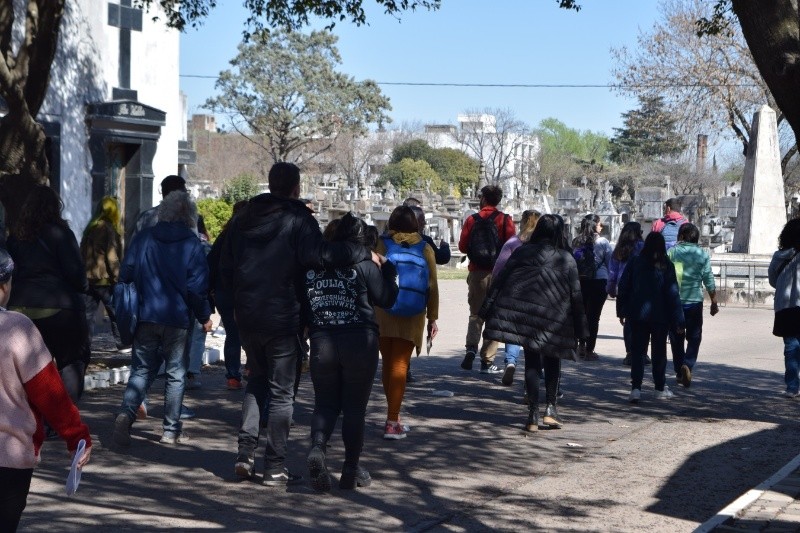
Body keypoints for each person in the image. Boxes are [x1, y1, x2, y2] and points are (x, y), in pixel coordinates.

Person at [221, 162, 373, 487]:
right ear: (296, 188)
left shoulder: (242, 218)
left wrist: (230, 306)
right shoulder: (299, 219)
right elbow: (320, 256)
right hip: (282, 315)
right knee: (281, 393)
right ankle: (274, 466)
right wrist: (360, 251)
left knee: (257, 381)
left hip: (247, 314)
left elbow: (219, 264)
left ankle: (244, 454)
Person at [303, 213, 398, 491]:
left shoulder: (312, 268)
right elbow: (387, 299)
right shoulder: (366, 265)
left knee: (325, 404)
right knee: (355, 408)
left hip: (322, 340)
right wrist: (389, 270)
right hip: (360, 340)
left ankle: (318, 448)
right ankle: (350, 469)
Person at [0, 248, 92, 532]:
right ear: (4, 286)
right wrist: (77, 436)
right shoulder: (17, 329)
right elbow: (49, 393)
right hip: (9, 461)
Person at [111, 191, 212, 446]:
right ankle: (170, 430)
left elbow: (126, 274)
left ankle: (127, 412)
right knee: (176, 373)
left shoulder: (145, 238)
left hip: (145, 314)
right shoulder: (192, 244)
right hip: (177, 318)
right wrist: (204, 316)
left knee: (141, 369)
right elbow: (196, 288)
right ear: (189, 215)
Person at [480, 214, 588, 432]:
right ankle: (550, 408)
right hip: (555, 318)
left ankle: (532, 415)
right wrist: (582, 329)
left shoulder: (522, 251)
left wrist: (486, 308)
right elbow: (576, 295)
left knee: (531, 361)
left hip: (526, 315)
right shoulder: (566, 259)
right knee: (552, 361)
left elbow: (501, 281)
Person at [6, 185, 90, 404]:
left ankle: (31, 419)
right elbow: (77, 277)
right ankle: (62, 419)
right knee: (71, 362)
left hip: (21, 310)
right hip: (60, 308)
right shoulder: (61, 234)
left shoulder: (15, 238)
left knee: (29, 369)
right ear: (56, 207)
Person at [375, 205, 439, 439]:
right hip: (412, 313)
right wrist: (433, 317)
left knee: (388, 364)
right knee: (400, 365)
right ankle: (392, 420)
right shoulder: (424, 248)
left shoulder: (382, 244)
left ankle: (394, 415)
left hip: (383, 311)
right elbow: (432, 286)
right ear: (415, 223)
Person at [617, 232, 685, 403]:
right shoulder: (666, 265)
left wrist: (622, 310)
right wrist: (678, 320)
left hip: (638, 314)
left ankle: (636, 388)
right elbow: (672, 294)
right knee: (659, 352)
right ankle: (659, 387)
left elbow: (623, 286)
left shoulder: (635, 262)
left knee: (638, 351)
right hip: (660, 316)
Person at [458, 185, 516, 374]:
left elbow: (463, 246)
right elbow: (512, 247)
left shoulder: (471, 220)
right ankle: (487, 360)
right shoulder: (505, 220)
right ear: (498, 200)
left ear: (483, 198)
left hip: (477, 273)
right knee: (494, 316)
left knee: (476, 314)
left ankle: (471, 348)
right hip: (499, 274)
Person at [491, 209, 541, 385]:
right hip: (537, 293)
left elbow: (498, 269)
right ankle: (535, 372)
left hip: (514, 292)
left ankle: (511, 362)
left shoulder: (513, 243)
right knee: (534, 333)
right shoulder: (542, 245)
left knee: (514, 331)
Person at [668, 223, 719, 387]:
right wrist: (714, 301)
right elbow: (708, 279)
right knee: (694, 337)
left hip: (675, 302)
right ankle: (687, 364)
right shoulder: (702, 254)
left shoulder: (672, 252)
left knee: (676, 338)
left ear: (682, 236)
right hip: (694, 302)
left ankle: (678, 371)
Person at [207, 200, 249, 390]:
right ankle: (251, 368)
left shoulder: (224, 236)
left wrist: (212, 291)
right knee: (250, 332)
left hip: (224, 294)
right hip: (246, 293)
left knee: (233, 334)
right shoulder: (250, 237)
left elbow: (211, 264)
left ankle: (233, 376)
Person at [81, 196, 127, 352]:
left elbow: (82, 253)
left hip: (88, 279)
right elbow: (112, 257)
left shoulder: (90, 228)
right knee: (115, 311)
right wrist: (118, 278)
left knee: (88, 315)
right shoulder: (108, 229)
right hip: (104, 281)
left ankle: (84, 345)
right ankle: (122, 343)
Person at [572, 214, 613, 361]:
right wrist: (612, 285)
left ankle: (580, 345)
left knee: (580, 314)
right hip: (598, 282)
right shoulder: (603, 242)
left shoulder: (576, 241)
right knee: (594, 317)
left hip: (580, 281)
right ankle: (589, 350)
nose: (601, 227)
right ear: (594, 225)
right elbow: (610, 264)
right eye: (599, 224)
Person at [606, 221, 645, 366]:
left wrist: (610, 289)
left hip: (623, 288)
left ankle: (629, 353)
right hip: (640, 288)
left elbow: (613, 272)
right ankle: (642, 353)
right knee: (642, 321)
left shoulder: (619, 249)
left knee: (628, 322)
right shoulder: (643, 247)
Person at [768, 218, 800, 398]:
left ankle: (792, 386)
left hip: (786, 305)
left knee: (791, 346)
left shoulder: (778, 256)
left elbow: (773, 281)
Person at [404, 198, 451, 265]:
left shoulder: (394, 238)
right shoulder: (424, 241)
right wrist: (445, 246)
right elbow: (441, 258)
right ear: (415, 221)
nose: (425, 223)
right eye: (422, 220)